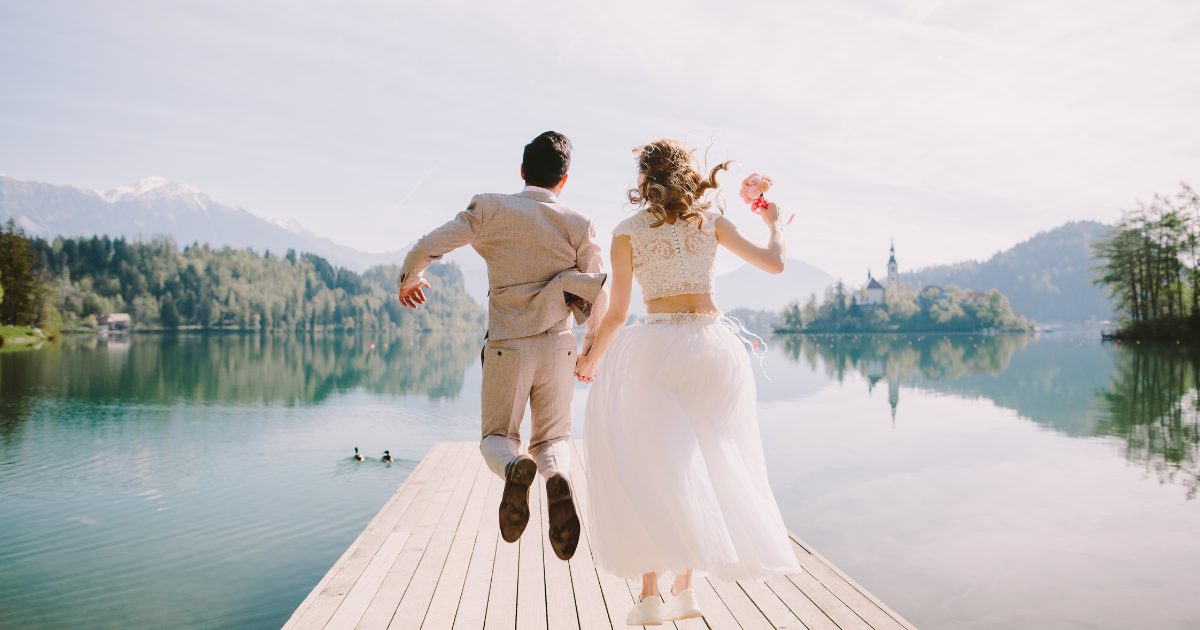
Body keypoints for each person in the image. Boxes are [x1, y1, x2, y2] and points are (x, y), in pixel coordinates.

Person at [574, 139, 801, 625]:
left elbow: (616, 315)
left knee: (651, 465)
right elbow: (775, 263)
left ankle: (652, 593)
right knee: (700, 457)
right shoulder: (711, 221)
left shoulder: (627, 233)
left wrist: (592, 356)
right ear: (686, 176)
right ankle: (686, 589)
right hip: (714, 351)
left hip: (656, 350)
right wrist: (774, 223)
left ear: (644, 180)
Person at [398, 131, 608, 561]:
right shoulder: (578, 223)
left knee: (497, 436)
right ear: (563, 180)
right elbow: (600, 290)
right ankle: (557, 476)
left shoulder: (492, 208)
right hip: (558, 345)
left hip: (507, 346)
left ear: (521, 171)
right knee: (553, 439)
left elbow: (428, 244)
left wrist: (411, 278)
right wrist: (590, 350)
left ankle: (514, 468)